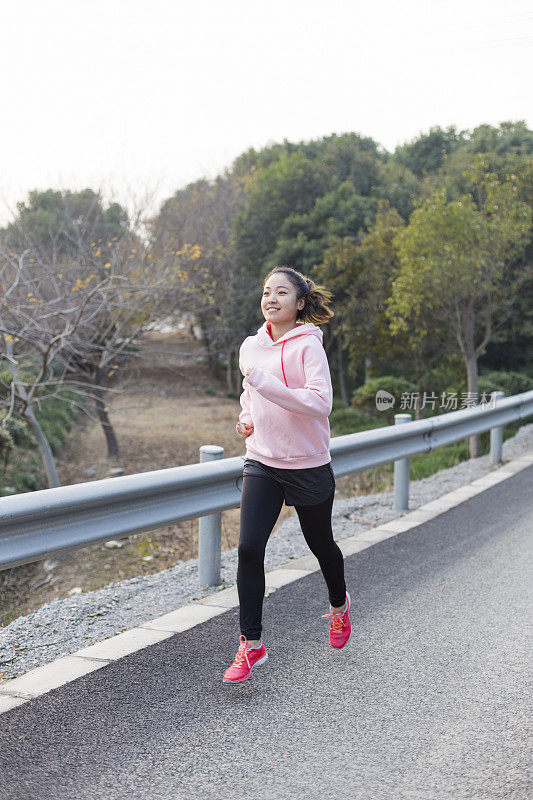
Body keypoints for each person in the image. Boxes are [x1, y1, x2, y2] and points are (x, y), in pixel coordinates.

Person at [223, 265, 351, 685]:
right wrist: (247, 419)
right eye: (266, 292)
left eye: (281, 292)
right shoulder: (251, 346)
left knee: (321, 546)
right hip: (262, 461)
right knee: (247, 549)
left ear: (299, 303)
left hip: (308, 463)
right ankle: (251, 643)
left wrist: (262, 382)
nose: (271, 298)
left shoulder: (308, 347)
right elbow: (250, 395)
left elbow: (319, 404)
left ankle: (338, 605)